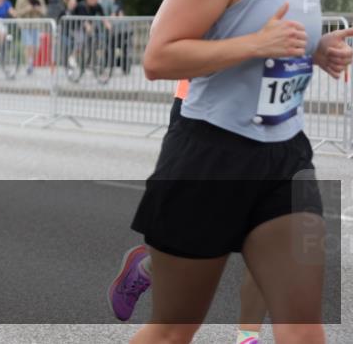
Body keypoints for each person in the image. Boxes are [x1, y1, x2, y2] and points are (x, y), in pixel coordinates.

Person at [128, 0, 353, 344]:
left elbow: (280, 37)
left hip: (285, 160)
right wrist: (256, 45)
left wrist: (317, 50)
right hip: (210, 158)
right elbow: (159, 57)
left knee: (305, 333)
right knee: (172, 332)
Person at [109, 81, 269, 344]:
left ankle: (248, 338)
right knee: (194, 237)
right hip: (202, 113)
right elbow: (157, 61)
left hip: (271, 119)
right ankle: (146, 269)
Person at [13, 0, 46, 74]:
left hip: (36, 25)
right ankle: (29, 64)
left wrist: (38, 9)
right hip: (25, 26)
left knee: (36, 46)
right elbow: (16, 13)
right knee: (28, 45)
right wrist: (27, 9)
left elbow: (44, 11)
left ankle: (31, 61)